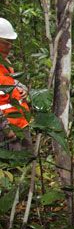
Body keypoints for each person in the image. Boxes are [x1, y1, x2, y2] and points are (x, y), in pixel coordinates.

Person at [0, 18, 31, 151]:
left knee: (28, 166)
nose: (10, 46)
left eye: (11, 42)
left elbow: (10, 81)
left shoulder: (5, 62)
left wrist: (21, 87)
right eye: (6, 42)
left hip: (21, 123)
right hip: (7, 130)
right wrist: (6, 128)